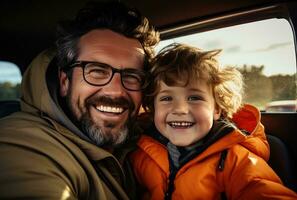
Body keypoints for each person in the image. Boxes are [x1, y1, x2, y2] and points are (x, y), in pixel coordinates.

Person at [0, 1, 159, 199]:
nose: (116, 91)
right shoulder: (21, 145)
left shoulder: (143, 137)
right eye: (97, 71)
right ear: (65, 81)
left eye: (131, 76)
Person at [130, 43, 297, 199]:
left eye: (194, 97)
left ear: (217, 109)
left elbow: (261, 189)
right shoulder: (141, 154)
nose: (179, 109)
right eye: (166, 98)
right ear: (153, 108)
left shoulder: (236, 159)